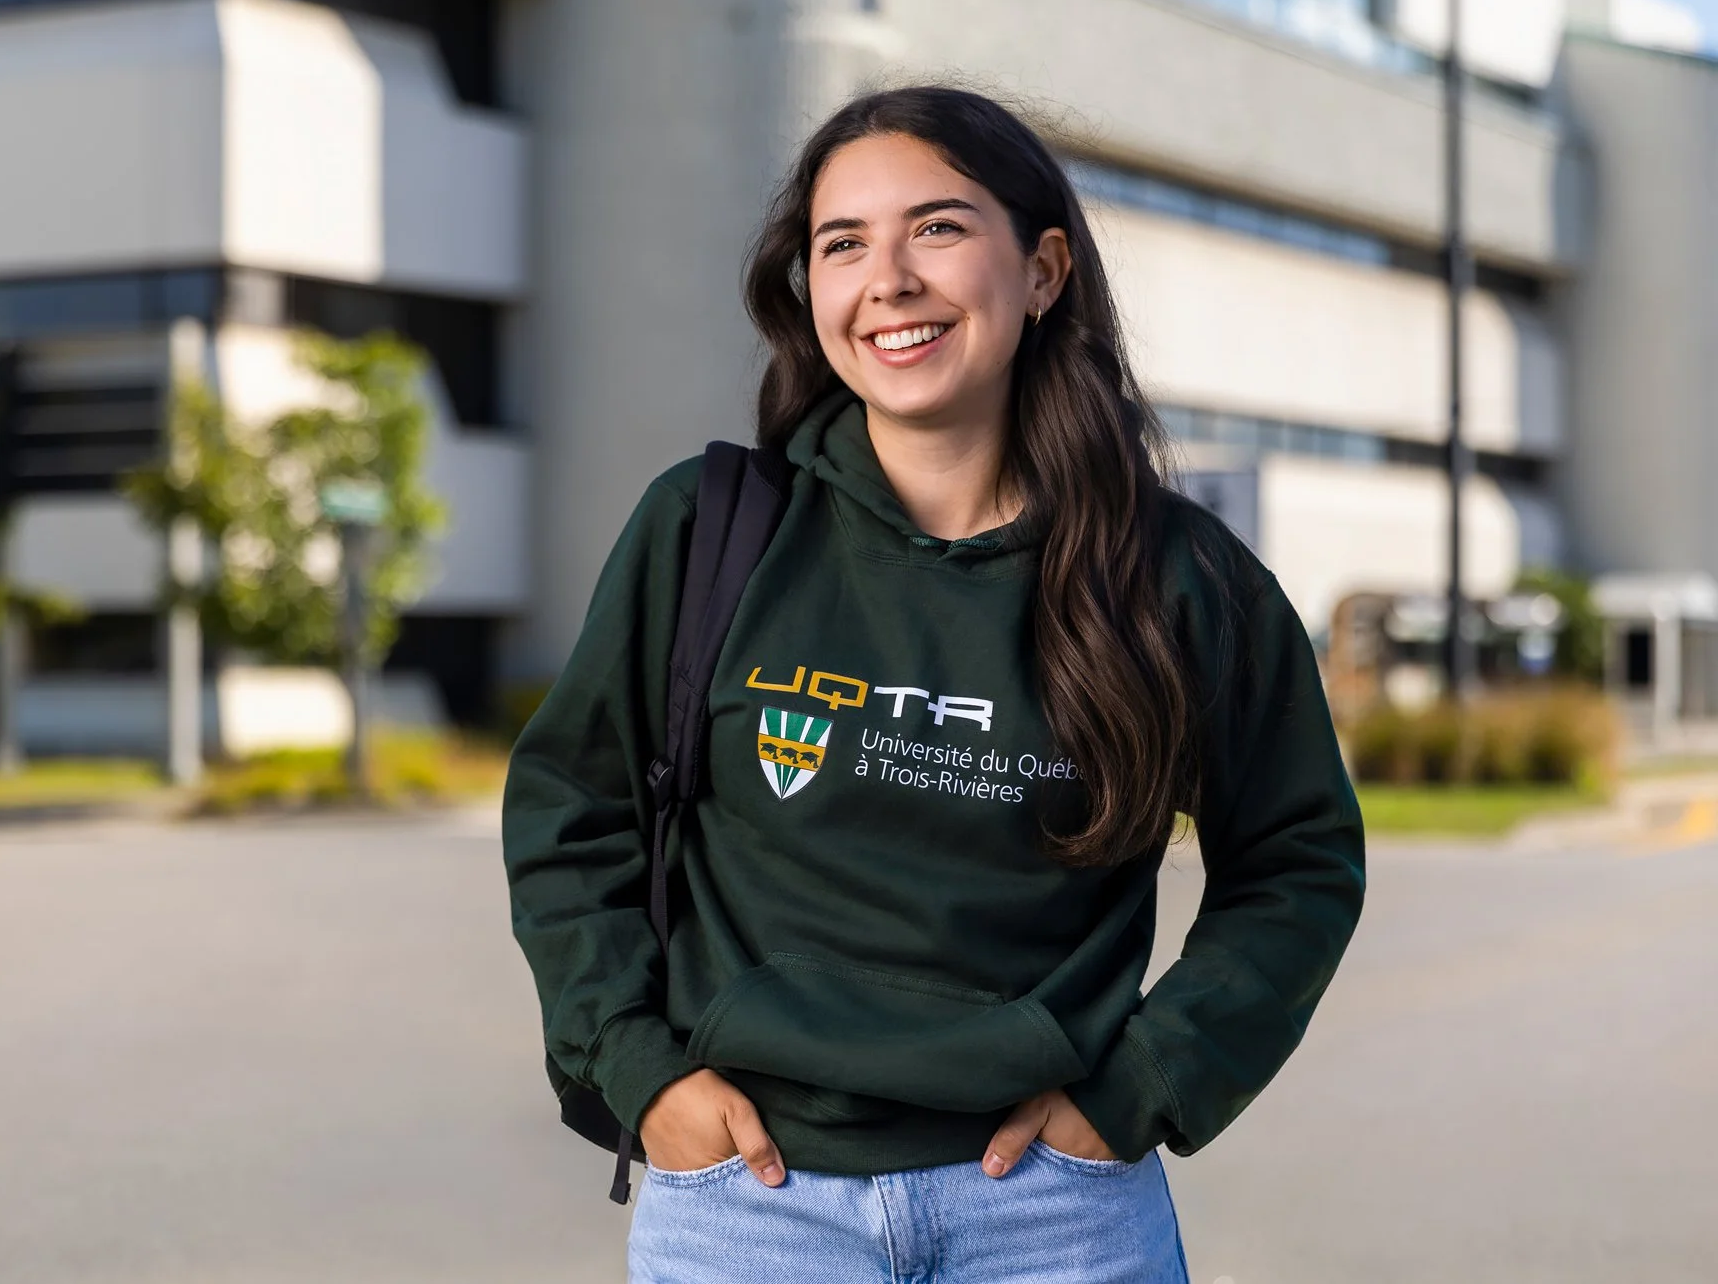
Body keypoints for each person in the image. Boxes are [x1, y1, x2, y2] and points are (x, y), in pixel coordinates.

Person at [502, 85, 1365, 1283]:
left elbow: (1296, 861)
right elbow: (570, 812)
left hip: (1055, 1217)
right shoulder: (707, 529)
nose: (888, 279)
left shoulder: (1175, 578)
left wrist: (1143, 1086)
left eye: (939, 229)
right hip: (750, 1210)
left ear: (1044, 268)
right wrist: (638, 1072)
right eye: (840, 244)